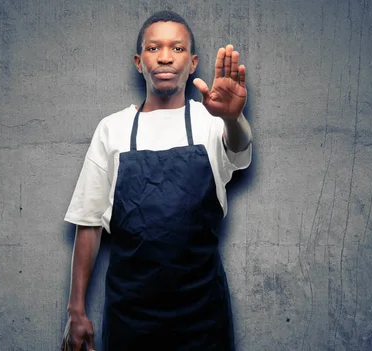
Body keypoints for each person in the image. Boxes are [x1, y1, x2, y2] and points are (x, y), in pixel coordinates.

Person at [61, 10, 253, 351]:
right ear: (139, 61)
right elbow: (88, 222)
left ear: (193, 63)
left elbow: (238, 147)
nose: (165, 57)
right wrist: (76, 312)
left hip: (203, 315)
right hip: (130, 315)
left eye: (177, 48)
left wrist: (232, 118)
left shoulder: (210, 121)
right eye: (154, 48)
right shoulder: (113, 128)